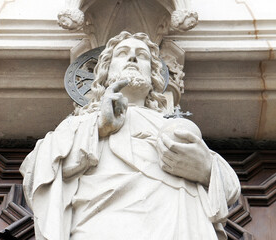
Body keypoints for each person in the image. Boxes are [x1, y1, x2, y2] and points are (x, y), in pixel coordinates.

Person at [20, 31, 240, 240]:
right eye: (123, 53)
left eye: (142, 56)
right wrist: (99, 128)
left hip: (172, 225)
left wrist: (206, 170)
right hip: (101, 225)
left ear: (153, 75)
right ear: (105, 71)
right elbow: (37, 171)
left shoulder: (169, 126)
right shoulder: (79, 125)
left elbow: (230, 190)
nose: (133, 58)